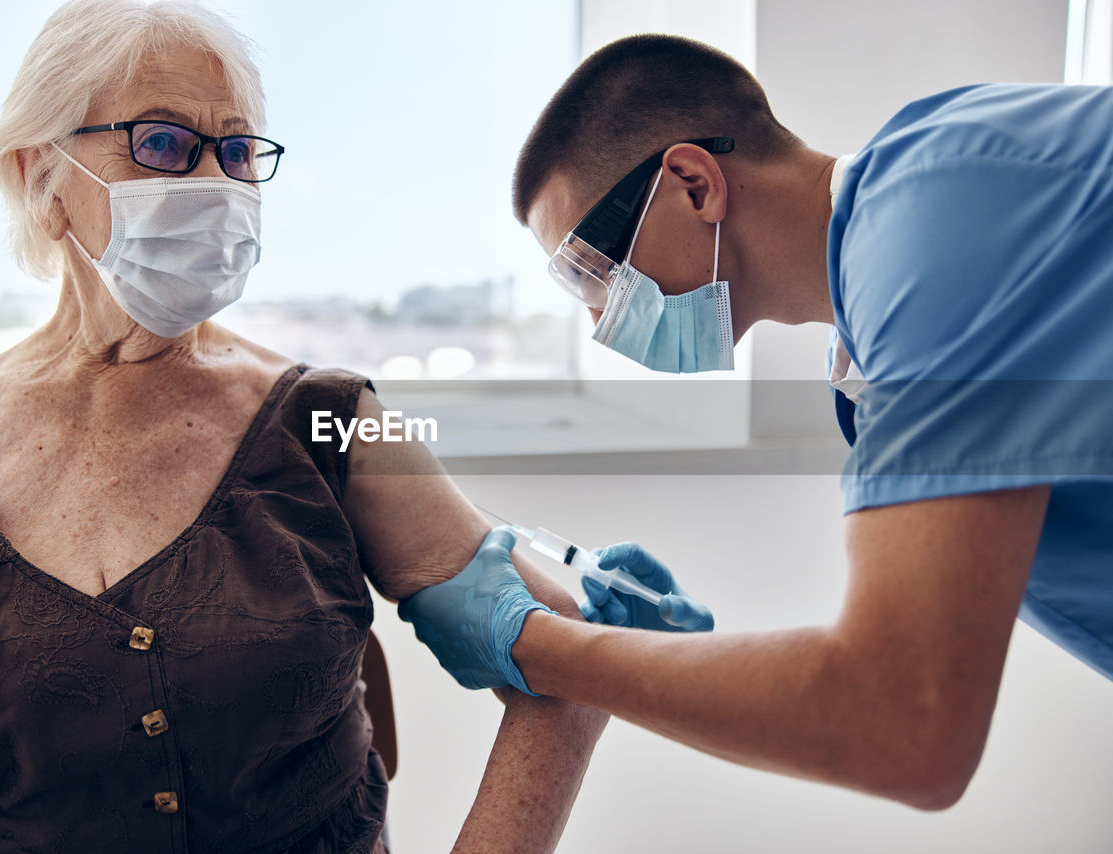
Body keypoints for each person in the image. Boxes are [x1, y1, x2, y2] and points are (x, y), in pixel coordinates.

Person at [0, 2, 606, 851]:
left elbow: (562, 661)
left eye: (236, 152)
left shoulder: (344, 418)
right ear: (39, 178)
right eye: (161, 143)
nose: (212, 183)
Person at [399, 33, 1113, 811]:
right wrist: (633, 656)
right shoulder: (875, 339)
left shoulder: (933, 231)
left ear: (694, 184)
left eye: (594, 274)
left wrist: (543, 649)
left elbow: (904, 725)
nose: (605, 319)